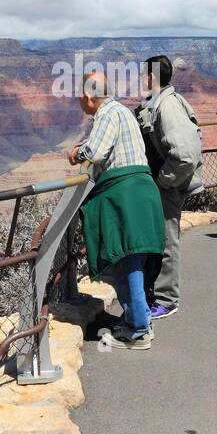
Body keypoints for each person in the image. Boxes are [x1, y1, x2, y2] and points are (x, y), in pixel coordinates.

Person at [68, 73, 166, 350]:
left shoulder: (107, 113)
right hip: (141, 192)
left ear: (88, 96)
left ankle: (137, 332)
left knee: (128, 260)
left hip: (126, 195)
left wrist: (76, 154)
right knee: (133, 258)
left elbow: (95, 153)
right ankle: (140, 317)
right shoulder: (122, 111)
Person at [135, 55, 203, 319]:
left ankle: (167, 299)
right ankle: (155, 291)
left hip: (167, 186)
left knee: (166, 240)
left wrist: (163, 180)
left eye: (144, 75)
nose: (143, 79)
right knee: (158, 238)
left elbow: (185, 154)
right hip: (161, 184)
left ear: (152, 77)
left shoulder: (168, 107)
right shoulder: (159, 102)